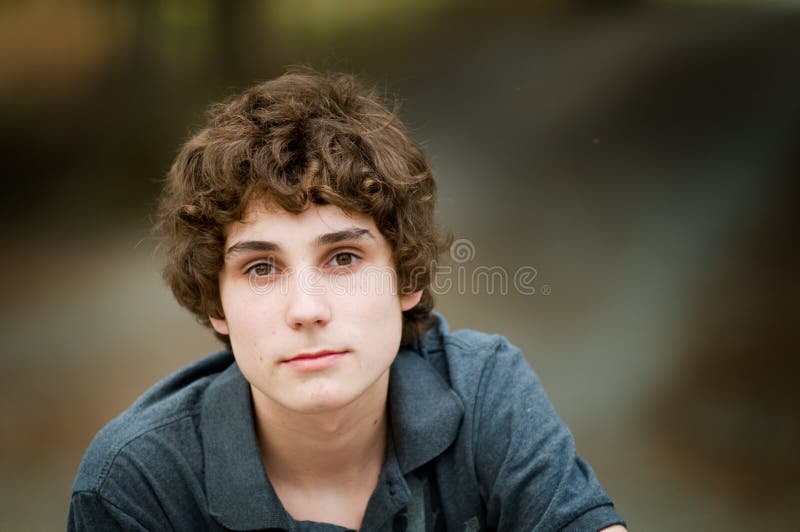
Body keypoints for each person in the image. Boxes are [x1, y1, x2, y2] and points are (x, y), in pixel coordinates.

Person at [68, 67, 627, 531]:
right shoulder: (135, 483)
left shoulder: (484, 391)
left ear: (406, 277)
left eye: (343, 259)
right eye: (261, 268)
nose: (306, 309)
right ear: (218, 302)